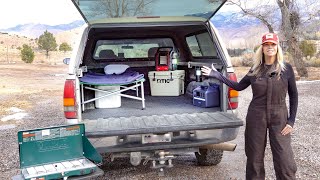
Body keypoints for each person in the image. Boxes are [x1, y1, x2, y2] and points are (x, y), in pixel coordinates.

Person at [201, 33, 298, 180]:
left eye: (273, 44)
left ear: (277, 47)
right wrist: (217, 75)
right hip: (256, 115)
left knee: (284, 157)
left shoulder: (286, 69)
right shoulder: (255, 69)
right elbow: (239, 86)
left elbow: (294, 95)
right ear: (262, 48)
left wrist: (291, 121)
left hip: (279, 115)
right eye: (267, 45)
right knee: (254, 156)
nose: (270, 47)